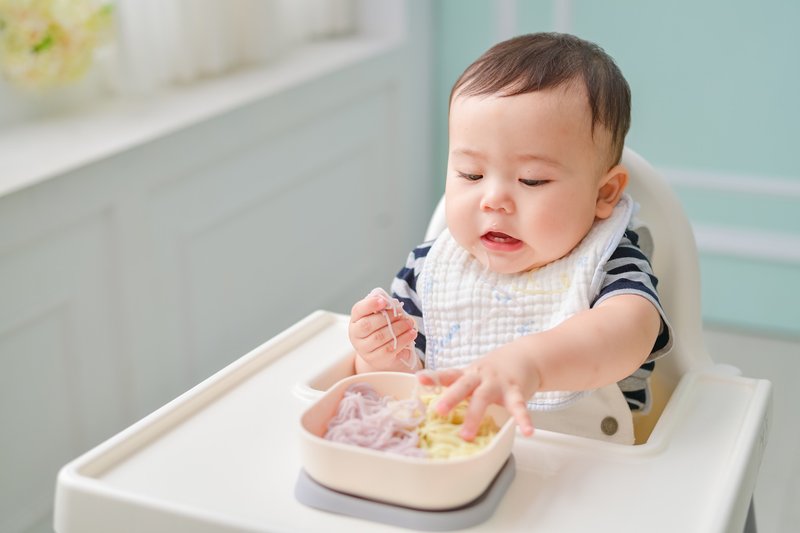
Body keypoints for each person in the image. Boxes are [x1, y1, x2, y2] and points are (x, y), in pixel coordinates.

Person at [348, 32, 672, 442]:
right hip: (459, 454)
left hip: (588, 461)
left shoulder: (609, 260)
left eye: (531, 180)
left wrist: (531, 365)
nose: (494, 200)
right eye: (471, 175)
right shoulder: (430, 269)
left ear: (604, 193)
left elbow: (631, 333)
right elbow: (403, 391)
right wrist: (378, 356)